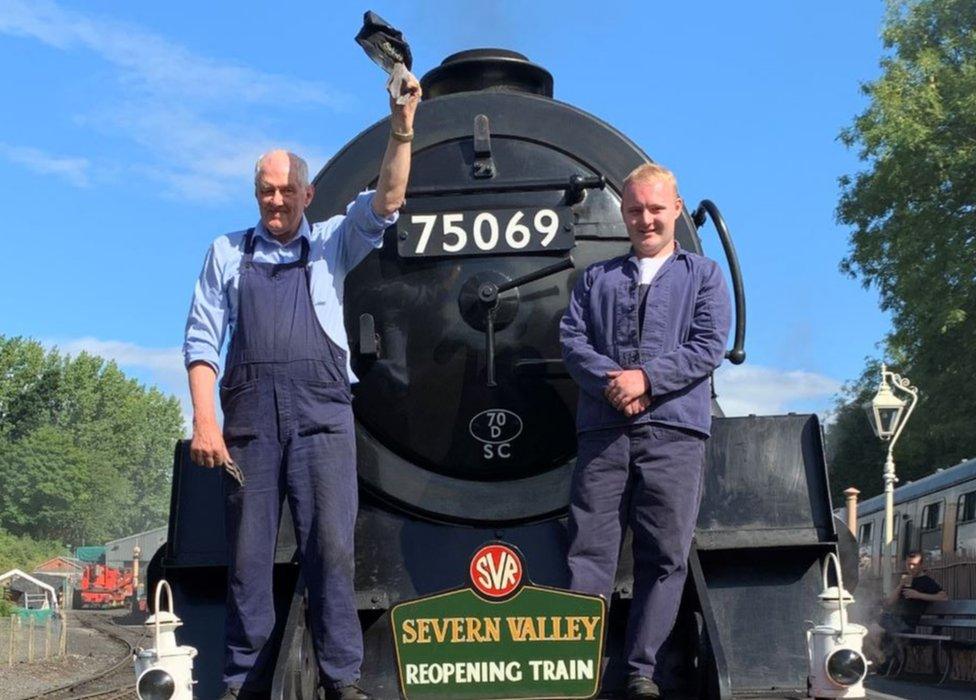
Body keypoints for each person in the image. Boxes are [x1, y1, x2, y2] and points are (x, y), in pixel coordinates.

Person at [183, 75, 421, 700]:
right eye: (267, 191)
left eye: (288, 190)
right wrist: (205, 422)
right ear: (255, 194)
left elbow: (389, 197)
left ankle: (341, 679)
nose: (277, 201)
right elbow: (203, 342)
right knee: (249, 558)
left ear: (308, 193)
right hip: (250, 421)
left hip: (321, 415)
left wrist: (401, 126)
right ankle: (243, 682)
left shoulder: (333, 243)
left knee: (331, 551)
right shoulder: (225, 253)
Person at [559, 163, 731, 700]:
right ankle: (577, 668)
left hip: (675, 433)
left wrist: (647, 379)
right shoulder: (595, 279)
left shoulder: (704, 276)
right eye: (635, 210)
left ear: (675, 210)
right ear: (624, 214)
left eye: (656, 209)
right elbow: (572, 340)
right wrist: (615, 381)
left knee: (666, 555)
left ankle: (641, 670)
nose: (645, 219)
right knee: (589, 552)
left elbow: (709, 345)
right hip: (605, 432)